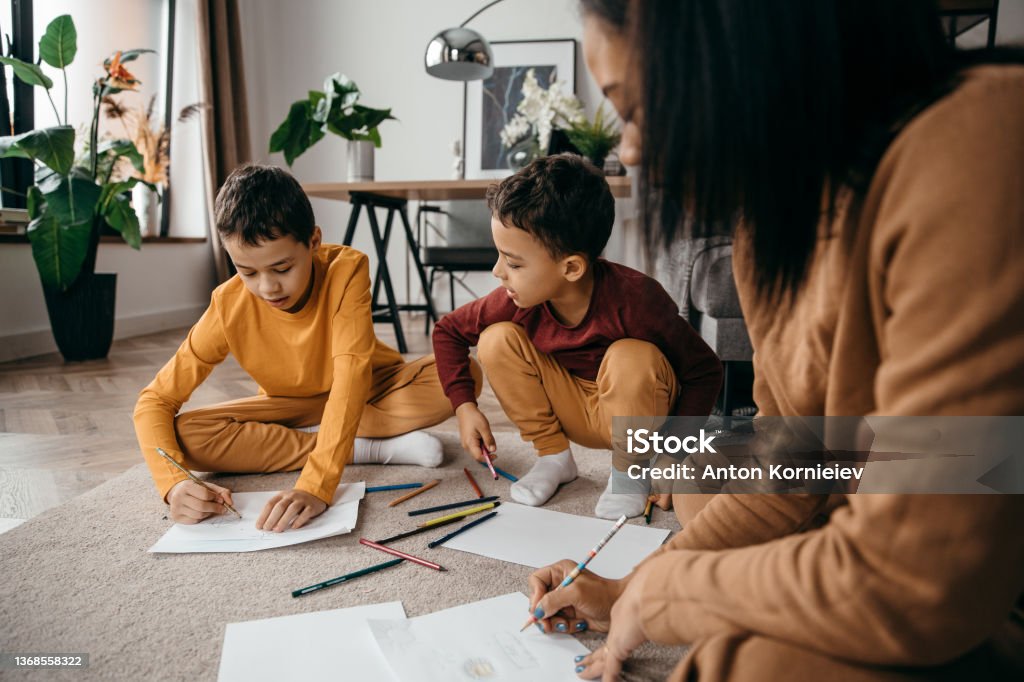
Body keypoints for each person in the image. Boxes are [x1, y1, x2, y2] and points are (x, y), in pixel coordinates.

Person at [529, 0, 1024, 679]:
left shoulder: (976, 141)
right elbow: (798, 461)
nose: (631, 150)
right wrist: (630, 589)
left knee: (748, 664)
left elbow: (923, 576)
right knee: (692, 473)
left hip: (980, 571)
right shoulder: (768, 235)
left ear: (733, 51)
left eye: (633, 108)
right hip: (881, 492)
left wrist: (671, 595)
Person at [134, 164, 477, 532]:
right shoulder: (227, 303)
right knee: (186, 436)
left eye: (282, 268)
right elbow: (154, 401)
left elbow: (351, 376)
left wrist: (317, 484)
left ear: (313, 241)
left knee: (462, 376)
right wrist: (173, 485)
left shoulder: (346, 269)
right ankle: (368, 448)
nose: (267, 288)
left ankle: (337, 440)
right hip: (295, 409)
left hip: (368, 390)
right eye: (247, 272)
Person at [432, 153, 722, 518]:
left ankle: (631, 472)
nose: (497, 272)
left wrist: (673, 455)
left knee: (632, 357)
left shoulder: (637, 299)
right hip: (570, 409)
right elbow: (448, 331)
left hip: (635, 416)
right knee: (495, 339)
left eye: (514, 262)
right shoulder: (516, 299)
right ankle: (555, 459)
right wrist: (464, 407)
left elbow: (705, 371)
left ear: (571, 267)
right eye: (500, 257)